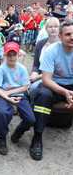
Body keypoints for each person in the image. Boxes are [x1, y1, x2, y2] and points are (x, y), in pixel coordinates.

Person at [29, 19, 73, 161]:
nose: (72, 37)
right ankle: (37, 138)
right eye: (68, 34)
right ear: (60, 37)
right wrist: (65, 92)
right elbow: (46, 80)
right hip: (55, 84)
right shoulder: (51, 50)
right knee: (42, 94)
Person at [0, 42, 35, 155]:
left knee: (30, 119)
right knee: (2, 113)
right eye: (9, 55)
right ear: (5, 55)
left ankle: (18, 132)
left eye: (14, 54)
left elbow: (25, 86)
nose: (11, 57)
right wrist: (7, 97)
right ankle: (1, 137)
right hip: (3, 95)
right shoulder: (1, 69)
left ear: (18, 55)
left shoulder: (22, 68)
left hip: (19, 94)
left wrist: (10, 92)